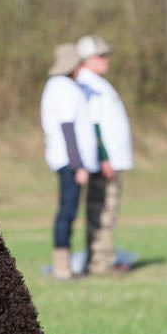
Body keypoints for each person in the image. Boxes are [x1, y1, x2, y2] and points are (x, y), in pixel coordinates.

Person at [40, 43, 99, 280]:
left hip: (68, 160)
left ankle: (64, 265)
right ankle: (62, 267)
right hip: (69, 161)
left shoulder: (60, 86)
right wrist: (78, 165)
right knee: (67, 212)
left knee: (68, 212)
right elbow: (68, 128)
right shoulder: (62, 87)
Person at [76, 35, 133, 276]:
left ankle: (102, 259)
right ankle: (101, 263)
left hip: (112, 160)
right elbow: (94, 125)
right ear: (87, 59)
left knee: (107, 211)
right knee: (102, 211)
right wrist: (103, 157)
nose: (106, 59)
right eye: (101, 56)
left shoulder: (97, 83)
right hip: (105, 162)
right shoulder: (88, 85)